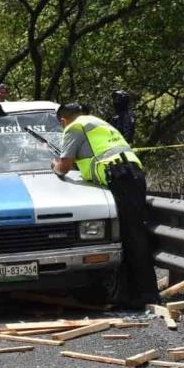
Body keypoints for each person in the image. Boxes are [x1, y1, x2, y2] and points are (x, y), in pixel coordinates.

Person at [52, 103, 159, 308]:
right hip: (131, 173)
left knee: (132, 235)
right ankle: (131, 295)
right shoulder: (96, 122)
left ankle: (146, 295)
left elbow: (64, 167)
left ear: (63, 120)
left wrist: (54, 166)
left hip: (120, 175)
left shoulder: (73, 127)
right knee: (131, 233)